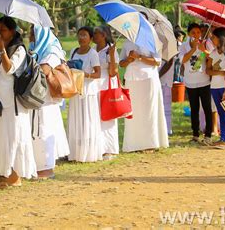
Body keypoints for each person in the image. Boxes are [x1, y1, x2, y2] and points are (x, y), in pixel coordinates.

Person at [0, 16, 37, 186]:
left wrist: (2, 51)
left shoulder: (18, 49)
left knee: (16, 137)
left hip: (15, 103)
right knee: (4, 138)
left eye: (3, 30)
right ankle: (9, 172)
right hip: (1, 101)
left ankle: (17, 175)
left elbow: (10, 69)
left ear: (12, 31)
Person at [29, 25, 69, 178]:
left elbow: (44, 70)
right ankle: (38, 166)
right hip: (37, 97)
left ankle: (46, 168)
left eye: (33, 32)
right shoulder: (35, 50)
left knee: (45, 130)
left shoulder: (52, 50)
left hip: (47, 99)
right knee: (38, 131)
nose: (30, 35)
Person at [119, 38, 169, 153]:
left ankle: (150, 143)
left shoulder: (152, 40)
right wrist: (129, 59)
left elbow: (157, 61)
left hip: (148, 78)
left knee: (148, 111)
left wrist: (139, 57)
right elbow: (121, 64)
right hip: (132, 78)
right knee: (134, 111)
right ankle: (133, 143)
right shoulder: (127, 42)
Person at [68, 26, 103, 162]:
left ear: (90, 39)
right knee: (76, 120)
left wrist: (84, 74)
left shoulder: (92, 54)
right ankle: (75, 152)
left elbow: (98, 73)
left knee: (87, 121)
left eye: (84, 35)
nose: (81, 38)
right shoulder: (73, 51)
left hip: (88, 91)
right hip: (75, 91)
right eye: (80, 35)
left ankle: (88, 152)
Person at [178, 23, 213, 145]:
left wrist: (205, 51)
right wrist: (193, 49)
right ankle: (195, 134)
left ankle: (208, 134)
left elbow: (213, 57)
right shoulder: (183, 46)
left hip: (204, 81)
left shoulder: (205, 44)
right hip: (190, 82)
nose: (197, 35)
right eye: (193, 33)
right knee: (194, 109)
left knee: (207, 108)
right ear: (188, 34)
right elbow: (182, 60)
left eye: (199, 32)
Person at [93, 26, 119, 159]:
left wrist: (113, 55)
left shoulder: (110, 51)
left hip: (106, 83)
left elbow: (113, 72)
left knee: (107, 116)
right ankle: (98, 146)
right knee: (96, 115)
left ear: (104, 35)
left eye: (97, 33)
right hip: (95, 85)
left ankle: (109, 148)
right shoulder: (92, 50)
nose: (94, 35)